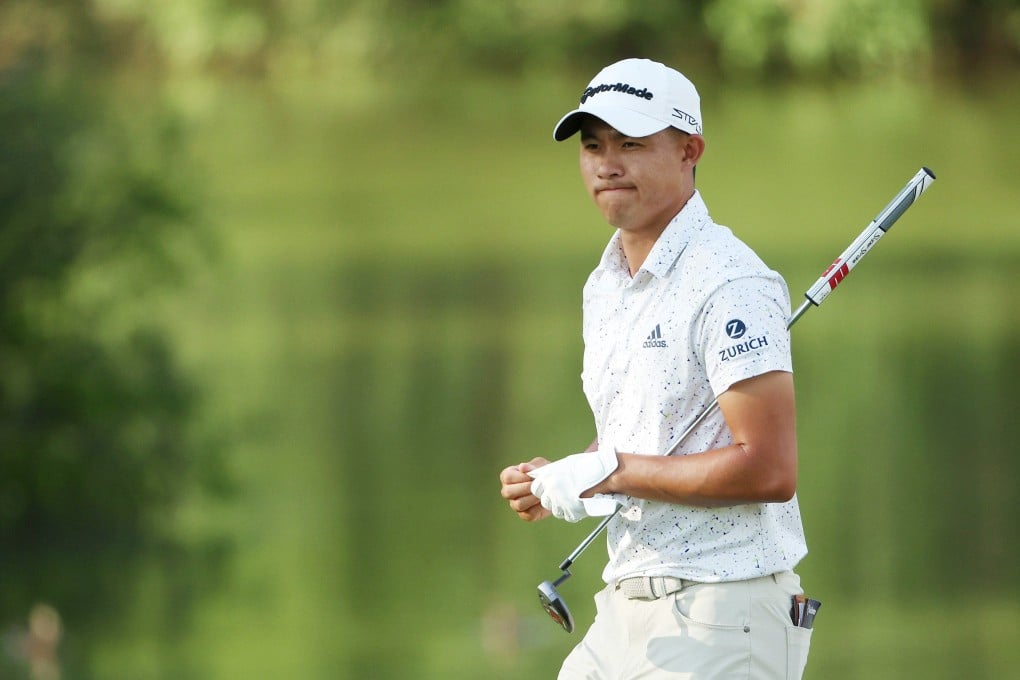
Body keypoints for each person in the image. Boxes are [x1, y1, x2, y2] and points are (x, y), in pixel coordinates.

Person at [498, 58, 813, 679]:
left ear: (689, 150)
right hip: (624, 606)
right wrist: (574, 472)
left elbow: (770, 469)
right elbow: (643, 435)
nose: (606, 164)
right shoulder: (607, 282)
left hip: (725, 609)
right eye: (593, 146)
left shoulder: (730, 281)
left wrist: (610, 471)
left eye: (631, 145)